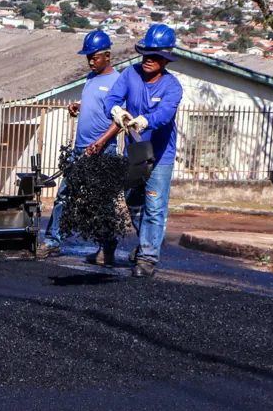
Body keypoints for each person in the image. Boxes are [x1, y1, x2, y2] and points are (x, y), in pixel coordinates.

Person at [88, 24, 184, 279]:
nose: (149, 60)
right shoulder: (130, 74)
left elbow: (165, 114)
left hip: (160, 155)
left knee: (154, 206)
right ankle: (147, 242)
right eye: (146, 54)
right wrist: (116, 111)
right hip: (134, 153)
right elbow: (113, 98)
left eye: (155, 56)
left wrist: (145, 121)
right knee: (133, 202)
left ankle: (147, 258)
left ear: (166, 60)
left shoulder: (173, 87)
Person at [43, 29, 119, 262]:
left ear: (107, 55)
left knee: (102, 202)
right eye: (88, 57)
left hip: (103, 151)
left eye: (94, 57)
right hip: (80, 149)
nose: (90, 62)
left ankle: (106, 248)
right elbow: (94, 103)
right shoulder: (90, 79)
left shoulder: (117, 81)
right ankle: (52, 242)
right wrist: (78, 105)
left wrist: (101, 142)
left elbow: (120, 120)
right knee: (64, 196)